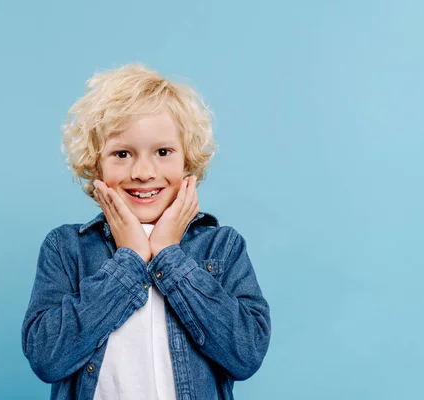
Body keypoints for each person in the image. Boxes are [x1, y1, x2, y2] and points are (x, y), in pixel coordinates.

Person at [21, 64, 271, 400]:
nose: (143, 172)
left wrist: (169, 254)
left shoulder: (223, 247)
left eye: (163, 152)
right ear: (97, 165)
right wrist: (130, 259)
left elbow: (246, 355)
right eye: (122, 154)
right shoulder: (67, 248)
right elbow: (47, 358)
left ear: (187, 161)